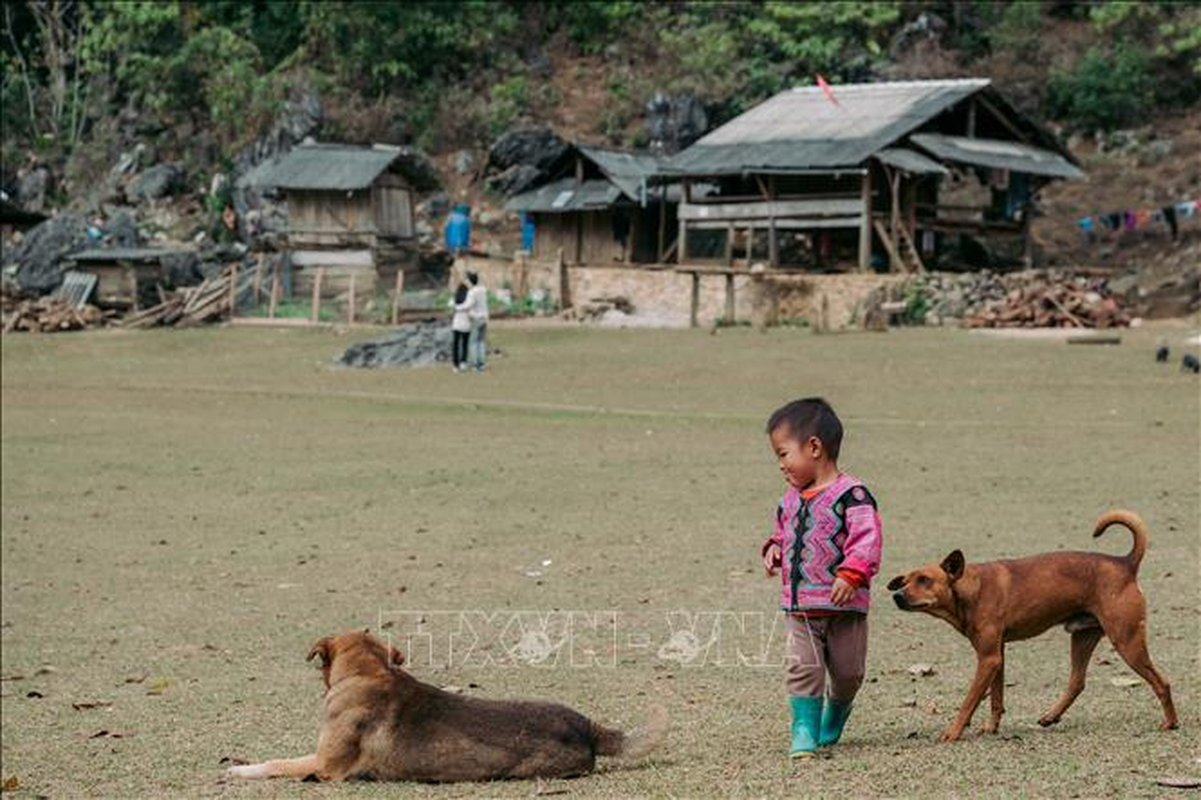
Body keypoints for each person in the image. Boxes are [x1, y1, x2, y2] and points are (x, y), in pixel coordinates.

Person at [760, 398, 882, 759]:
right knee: (803, 667)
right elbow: (784, 532)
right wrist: (774, 549)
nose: (781, 466)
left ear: (814, 447)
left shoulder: (853, 496)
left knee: (848, 672)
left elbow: (867, 539)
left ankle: (838, 710)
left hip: (846, 608)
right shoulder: (789, 500)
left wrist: (851, 573)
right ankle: (803, 729)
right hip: (801, 608)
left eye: (783, 454)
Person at [465, 271, 489, 371]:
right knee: (481, 341)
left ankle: (475, 364)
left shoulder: (472, 292)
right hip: (484, 318)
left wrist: (458, 306)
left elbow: (468, 305)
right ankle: (482, 363)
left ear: (470, 281)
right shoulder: (483, 290)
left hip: (476, 318)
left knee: (473, 342)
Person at [449, 282, 472, 371]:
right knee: (465, 345)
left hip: (456, 324)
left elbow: (451, 307)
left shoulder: (454, 300)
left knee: (455, 346)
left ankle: (455, 365)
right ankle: (463, 362)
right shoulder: (468, 300)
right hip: (466, 324)